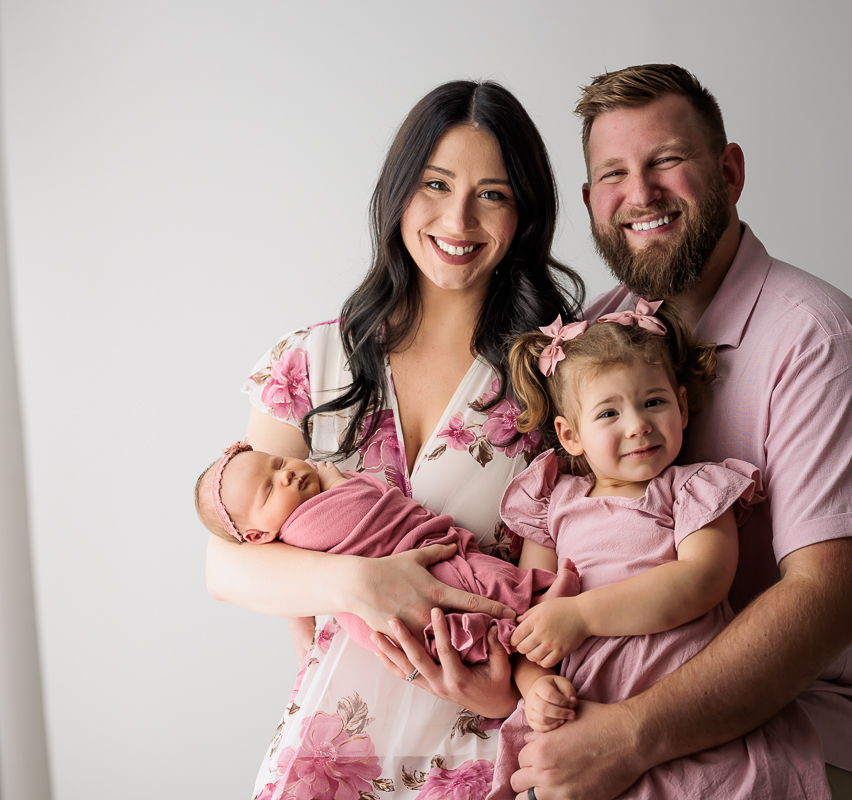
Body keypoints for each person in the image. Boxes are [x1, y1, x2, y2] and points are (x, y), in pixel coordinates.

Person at [507, 65, 852, 800]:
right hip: (609, 692)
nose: (641, 194)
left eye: (666, 160)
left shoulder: (822, 343)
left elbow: (827, 603)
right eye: (613, 174)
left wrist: (627, 738)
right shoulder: (592, 339)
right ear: (592, 200)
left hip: (798, 712)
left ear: (729, 173)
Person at [204, 79, 583, 800]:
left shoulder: (550, 383)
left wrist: (509, 692)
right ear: (398, 192)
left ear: (524, 214)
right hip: (326, 751)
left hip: (472, 750)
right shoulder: (310, 362)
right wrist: (360, 585)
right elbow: (226, 565)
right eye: (435, 184)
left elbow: (552, 594)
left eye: (492, 194)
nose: (458, 219)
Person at [483, 300, 830, 800]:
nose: (638, 425)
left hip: (679, 696)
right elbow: (529, 621)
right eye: (609, 412)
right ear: (570, 435)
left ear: (682, 407)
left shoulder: (692, 489)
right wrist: (535, 685)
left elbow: (702, 579)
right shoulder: (551, 503)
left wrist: (582, 615)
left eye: (653, 402)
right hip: (584, 708)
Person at [195, 442, 580, 660]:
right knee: (476, 585)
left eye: (278, 463)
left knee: (476, 585)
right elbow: (362, 511)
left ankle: (533, 612)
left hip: (414, 569)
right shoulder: (302, 527)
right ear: (258, 536)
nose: (286, 475)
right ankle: (536, 604)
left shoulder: (298, 515)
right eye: (269, 489)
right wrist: (336, 481)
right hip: (396, 598)